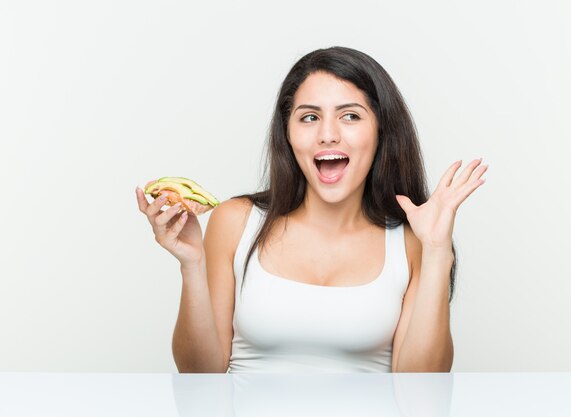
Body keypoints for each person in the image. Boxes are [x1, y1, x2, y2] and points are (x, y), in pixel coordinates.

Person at [135, 46, 487, 373]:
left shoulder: (411, 240)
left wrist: (438, 252)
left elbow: (422, 387)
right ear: (287, 132)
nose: (328, 134)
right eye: (308, 118)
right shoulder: (236, 221)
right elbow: (200, 373)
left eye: (350, 116)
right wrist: (192, 264)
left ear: (381, 130)